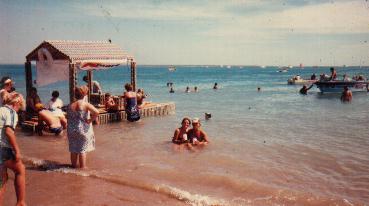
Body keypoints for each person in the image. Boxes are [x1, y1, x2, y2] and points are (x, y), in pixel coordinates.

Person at [0, 92, 26, 206]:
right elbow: (9, 132)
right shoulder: (11, 112)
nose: (20, 108)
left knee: (2, 178)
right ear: (17, 102)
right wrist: (17, 151)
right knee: (20, 169)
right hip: (2, 148)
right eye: (20, 105)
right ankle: (20, 202)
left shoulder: (0, 109)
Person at [67, 86, 99, 169]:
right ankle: (83, 169)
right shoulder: (85, 104)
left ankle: (73, 168)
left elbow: (69, 117)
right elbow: (97, 112)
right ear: (84, 94)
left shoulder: (70, 105)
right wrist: (90, 120)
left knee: (73, 149)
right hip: (82, 130)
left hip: (71, 129)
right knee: (82, 150)